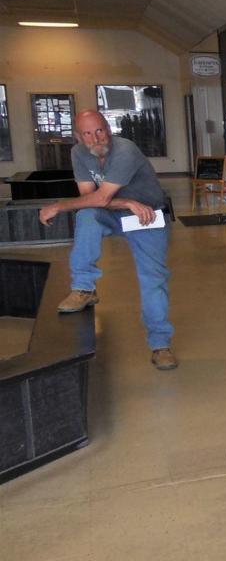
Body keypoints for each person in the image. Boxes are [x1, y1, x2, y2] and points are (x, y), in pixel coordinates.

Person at [38, 109, 177, 370]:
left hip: (147, 217)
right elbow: (90, 198)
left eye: (99, 130)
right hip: (118, 212)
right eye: (87, 134)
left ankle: (160, 345)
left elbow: (100, 197)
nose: (95, 138)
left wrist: (58, 206)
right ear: (78, 137)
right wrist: (126, 201)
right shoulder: (78, 153)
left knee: (153, 279)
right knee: (87, 215)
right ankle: (84, 287)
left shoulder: (126, 150)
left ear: (108, 130)